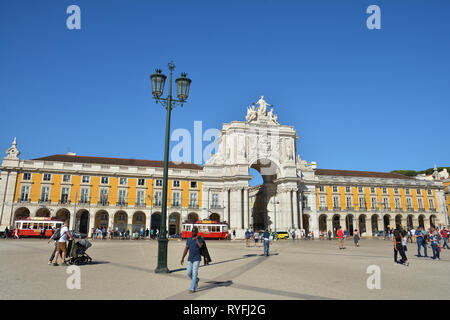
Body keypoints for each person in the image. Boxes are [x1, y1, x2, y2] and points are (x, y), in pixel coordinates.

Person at [180, 226, 204, 293]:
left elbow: (200, 246)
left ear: (197, 232)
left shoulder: (200, 239)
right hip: (190, 258)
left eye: (194, 231)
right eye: (192, 231)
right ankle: (196, 280)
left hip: (197, 258)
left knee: (194, 273)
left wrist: (196, 239)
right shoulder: (189, 239)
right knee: (188, 273)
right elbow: (186, 248)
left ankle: (192, 288)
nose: (192, 232)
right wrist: (182, 258)